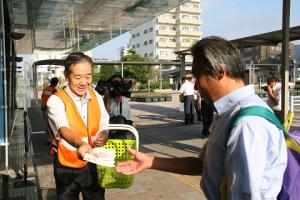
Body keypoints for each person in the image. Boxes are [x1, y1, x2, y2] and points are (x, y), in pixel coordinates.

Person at [116, 36, 287, 199]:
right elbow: (203, 165)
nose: (196, 85)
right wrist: (150, 161)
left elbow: (244, 195)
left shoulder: (247, 124)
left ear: (220, 72)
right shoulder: (230, 113)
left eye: (198, 76)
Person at [47, 52, 110, 200]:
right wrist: (80, 144)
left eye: (88, 76)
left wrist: (104, 134)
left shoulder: (95, 96)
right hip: (67, 165)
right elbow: (63, 128)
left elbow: (103, 121)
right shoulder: (56, 100)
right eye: (77, 77)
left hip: (93, 161)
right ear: (66, 75)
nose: (83, 82)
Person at [41, 77, 58, 143]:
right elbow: (56, 101)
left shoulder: (45, 89)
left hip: (43, 108)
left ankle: (49, 138)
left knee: (47, 124)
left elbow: (42, 97)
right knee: (51, 124)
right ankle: (51, 139)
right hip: (50, 110)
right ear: (56, 83)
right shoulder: (54, 91)